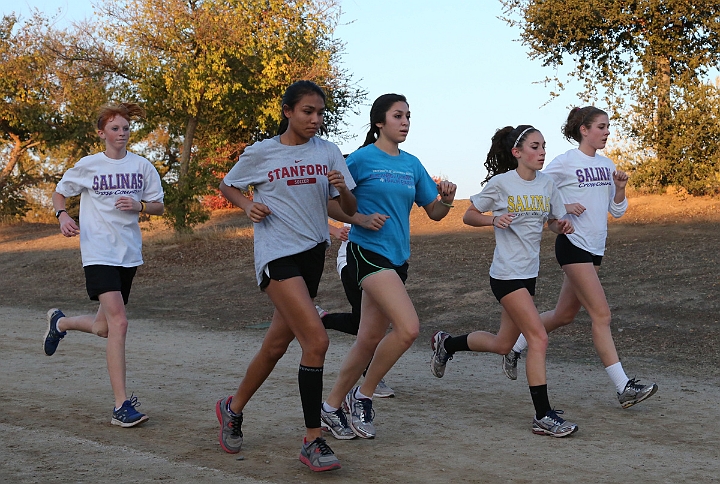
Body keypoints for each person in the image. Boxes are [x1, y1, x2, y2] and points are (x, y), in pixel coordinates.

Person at [215, 80, 357, 472]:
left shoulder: (329, 152)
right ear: (288, 112)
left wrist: (344, 192)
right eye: (307, 111)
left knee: (276, 346)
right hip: (277, 257)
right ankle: (313, 439)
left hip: (313, 255)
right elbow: (227, 185)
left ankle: (232, 407)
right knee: (316, 340)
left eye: (320, 113)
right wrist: (247, 205)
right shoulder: (262, 152)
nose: (315, 119)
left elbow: (345, 207)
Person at [320, 93, 456, 440]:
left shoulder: (412, 164)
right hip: (367, 253)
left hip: (398, 259)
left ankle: (332, 406)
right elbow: (330, 203)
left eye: (408, 116)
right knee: (408, 328)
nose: (405, 122)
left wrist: (448, 200)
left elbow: (435, 214)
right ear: (379, 122)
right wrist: (362, 219)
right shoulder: (362, 160)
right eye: (398, 116)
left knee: (367, 338)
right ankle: (362, 396)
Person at [502, 107, 658, 409]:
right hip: (572, 246)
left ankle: (515, 348)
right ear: (584, 130)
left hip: (595, 249)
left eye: (608, 127)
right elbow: (537, 189)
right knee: (602, 315)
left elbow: (617, 211)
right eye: (601, 126)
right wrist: (563, 207)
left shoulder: (607, 164)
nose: (607, 132)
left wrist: (621, 189)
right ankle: (623, 386)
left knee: (564, 315)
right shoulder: (564, 163)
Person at [429, 125, 579, 437]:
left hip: (529, 274)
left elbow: (551, 221)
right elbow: (469, 215)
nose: (541, 152)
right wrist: (493, 219)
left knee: (503, 344)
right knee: (537, 338)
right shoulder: (502, 184)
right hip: (506, 275)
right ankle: (543, 415)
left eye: (543, 147)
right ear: (517, 153)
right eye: (535, 147)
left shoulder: (547, 185)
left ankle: (447, 343)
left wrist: (560, 226)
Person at [43, 102, 164, 428]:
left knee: (103, 328)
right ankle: (121, 406)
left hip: (128, 254)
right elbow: (59, 193)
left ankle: (61, 323)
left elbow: (159, 206)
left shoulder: (142, 167)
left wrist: (140, 205)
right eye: (115, 128)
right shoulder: (88, 165)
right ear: (102, 133)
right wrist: (63, 215)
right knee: (120, 323)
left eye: (125, 128)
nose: (121, 133)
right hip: (97, 252)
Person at [316, 223, 395, 399]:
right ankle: (370, 377)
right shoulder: (358, 195)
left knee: (369, 321)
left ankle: (322, 319)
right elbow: (322, 203)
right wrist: (336, 230)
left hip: (384, 261)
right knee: (367, 322)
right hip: (352, 260)